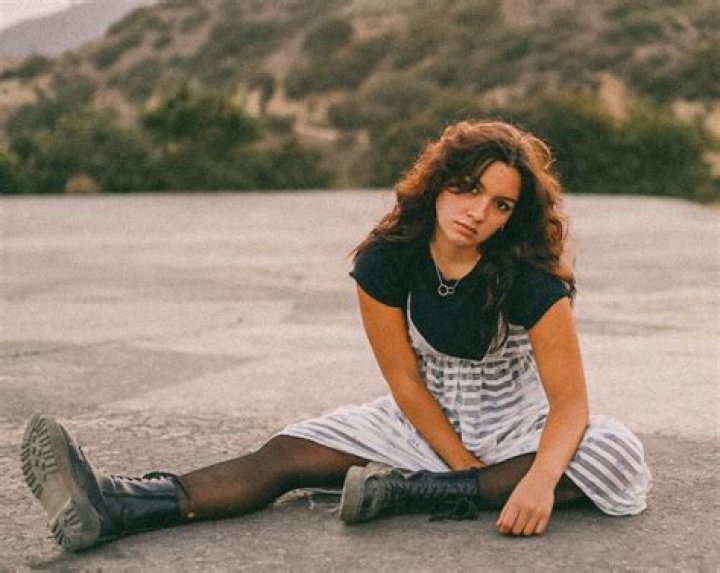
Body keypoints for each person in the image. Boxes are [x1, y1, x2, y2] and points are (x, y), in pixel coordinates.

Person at [21, 120, 652, 553]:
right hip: (421, 418)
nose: (478, 212)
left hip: (516, 425)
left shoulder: (530, 280)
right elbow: (404, 380)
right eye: (469, 189)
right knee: (285, 454)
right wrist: (461, 466)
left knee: (612, 451)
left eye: (500, 204)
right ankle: (116, 505)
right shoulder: (387, 260)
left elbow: (570, 405)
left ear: (513, 216)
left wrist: (538, 479)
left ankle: (405, 493)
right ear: (440, 181)